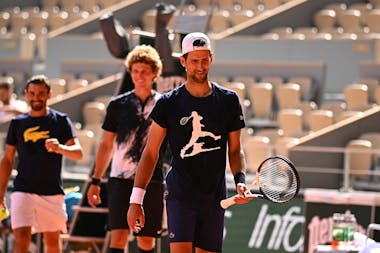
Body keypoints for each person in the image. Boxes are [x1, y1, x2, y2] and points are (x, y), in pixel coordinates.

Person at [127, 32, 254, 253]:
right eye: (194, 60)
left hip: (215, 197)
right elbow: (150, 153)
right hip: (180, 195)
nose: (200, 66)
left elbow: (235, 150)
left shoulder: (229, 100)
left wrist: (240, 180)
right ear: (183, 61)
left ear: (211, 59)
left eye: (204, 60)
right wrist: (136, 200)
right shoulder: (168, 103)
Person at [86, 44, 168, 253]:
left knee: (146, 240)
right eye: (135, 71)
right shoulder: (118, 104)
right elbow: (106, 145)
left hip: (153, 178)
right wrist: (96, 180)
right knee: (119, 236)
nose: (140, 76)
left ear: (154, 74)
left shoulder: (164, 104)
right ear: (130, 72)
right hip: (120, 178)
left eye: (145, 71)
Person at [0, 74, 83, 253]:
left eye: (41, 93)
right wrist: (0, 194)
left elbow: (78, 153)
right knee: (21, 240)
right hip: (22, 190)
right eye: (32, 93)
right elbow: (7, 160)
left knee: (52, 243)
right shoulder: (17, 123)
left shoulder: (60, 120)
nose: (36, 97)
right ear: (26, 94)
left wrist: (60, 148)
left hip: (52, 192)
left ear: (49, 94)